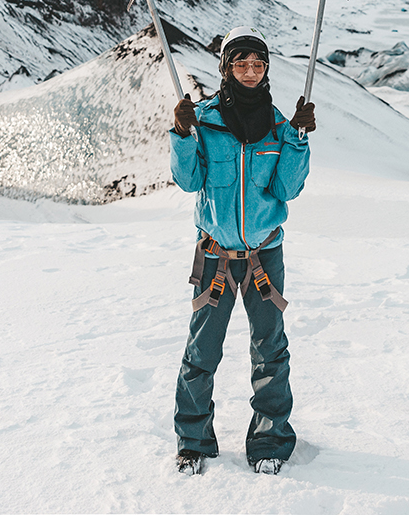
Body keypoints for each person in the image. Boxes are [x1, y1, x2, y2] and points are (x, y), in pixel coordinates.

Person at [169, 26, 315, 477]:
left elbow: (286, 189)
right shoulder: (206, 121)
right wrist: (181, 133)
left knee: (269, 350)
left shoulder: (277, 126)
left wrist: (298, 141)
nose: (251, 72)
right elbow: (189, 180)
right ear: (226, 68)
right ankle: (193, 442)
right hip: (215, 255)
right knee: (202, 351)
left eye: (259, 63)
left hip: (264, 255)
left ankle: (270, 439)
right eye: (241, 63)